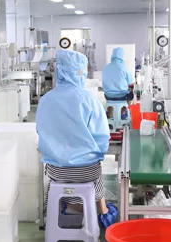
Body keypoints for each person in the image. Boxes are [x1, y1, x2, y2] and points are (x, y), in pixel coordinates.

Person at [36, 49, 118, 227]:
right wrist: (96, 154)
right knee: (95, 176)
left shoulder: (46, 100)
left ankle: (63, 208)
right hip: (86, 171)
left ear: (59, 71)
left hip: (56, 171)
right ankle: (103, 212)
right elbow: (102, 137)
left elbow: (40, 132)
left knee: (59, 183)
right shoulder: (89, 100)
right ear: (81, 72)